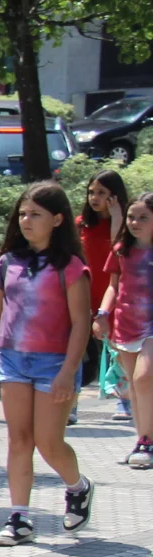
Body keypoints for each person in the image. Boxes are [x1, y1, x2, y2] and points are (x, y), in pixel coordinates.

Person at [0, 182, 96, 546]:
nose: (26, 221)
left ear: (57, 220)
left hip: (55, 363)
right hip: (13, 360)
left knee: (48, 442)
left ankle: (78, 486)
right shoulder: (7, 264)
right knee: (19, 439)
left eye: (36, 214)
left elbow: (82, 323)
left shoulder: (71, 267)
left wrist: (67, 371)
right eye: (23, 214)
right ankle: (19, 518)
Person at [99, 192, 153, 469]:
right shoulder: (122, 250)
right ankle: (143, 440)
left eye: (143, 217)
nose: (135, 222)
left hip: (151, 327)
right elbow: (113, 286)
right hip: (127, 324)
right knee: (133, 385)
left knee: (144, 378)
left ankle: (147, 440)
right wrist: (102, 314)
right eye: (131, 217)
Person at [80, 171, 129, 420]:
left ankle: (125, 401)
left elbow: (120, 252)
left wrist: (117, 217)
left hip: (115, 295)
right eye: (91, 192)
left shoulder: (129, 223)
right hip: (85, 296)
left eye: (101, 193)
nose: (94, 197)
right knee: (77, 348)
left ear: (115, 195)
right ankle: (70, 406)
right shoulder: (81, 225)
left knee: (119, 350)